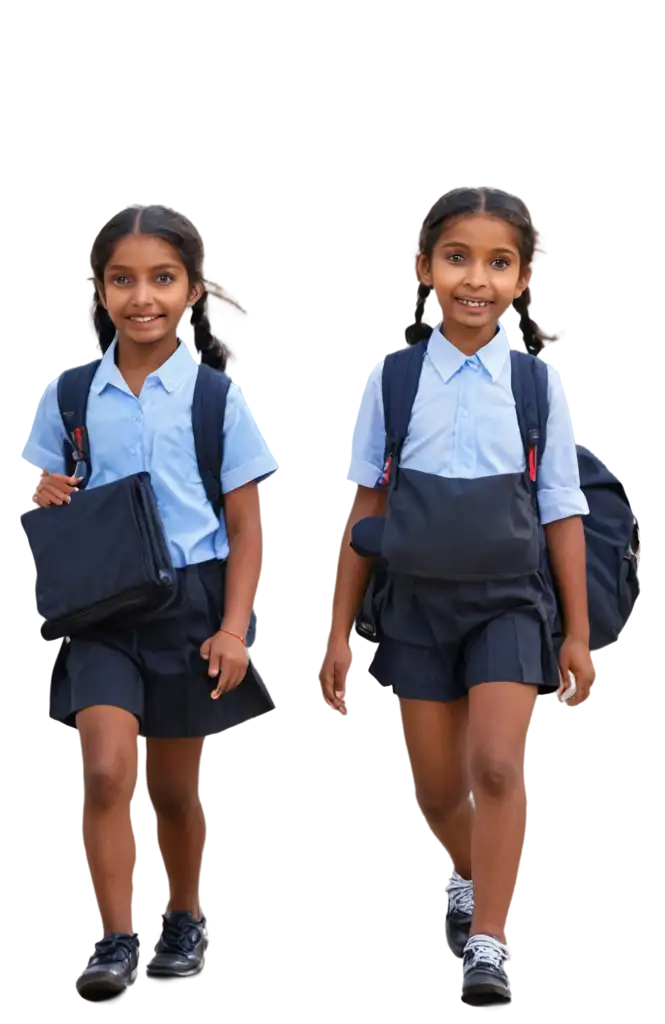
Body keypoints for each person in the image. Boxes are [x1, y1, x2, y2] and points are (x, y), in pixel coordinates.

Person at [320, 185, 600, 1009]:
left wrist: (577, 630)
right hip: (413, 602)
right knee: (441, 786)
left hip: (509, 599)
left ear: (522, 279)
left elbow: (562, 507)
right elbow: (365, 506)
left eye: (497, 262)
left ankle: (490, 942)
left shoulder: (541, 385)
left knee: (497, 765)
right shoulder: (394, 381)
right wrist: (337, 631)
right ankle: (474, 874)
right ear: (425, 268)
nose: (475, 279)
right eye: (457, 258)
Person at [19, 202, 279, 1003]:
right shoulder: (69, 396)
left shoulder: (218, 401)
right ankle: (110, 942)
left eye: (162, 279)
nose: (143, 298)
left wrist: (235, 629)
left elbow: (245, 523)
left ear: (193, 290)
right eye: (123, 280)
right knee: (104, 772)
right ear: (99, 292)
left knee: (171, 790)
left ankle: (184, 915)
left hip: (191, 608)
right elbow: (38, 496)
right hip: (99, 610)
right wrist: (42, 490)